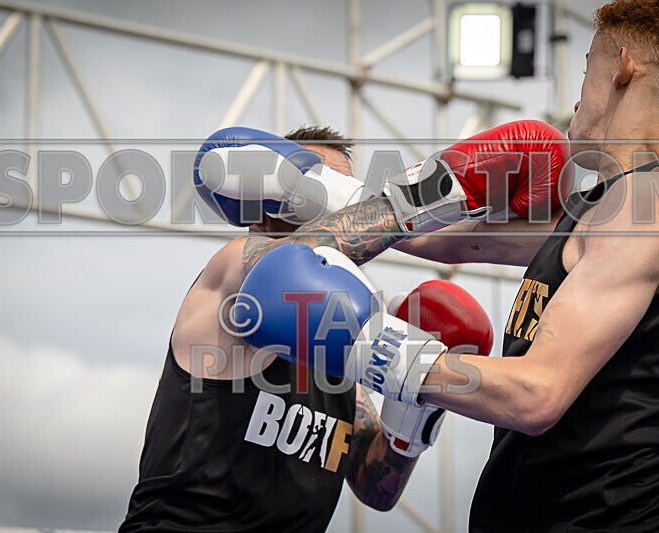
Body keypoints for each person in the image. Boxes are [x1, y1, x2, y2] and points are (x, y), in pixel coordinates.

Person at [228, 1, 659, 531]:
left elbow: (537, 394)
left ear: (624, 67)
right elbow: (450, 243)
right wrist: (310, 191)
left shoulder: (651, 204)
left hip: (615, 518)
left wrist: (372, 349)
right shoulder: (615, 207)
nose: (577, 96)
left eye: (587, 69)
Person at [118, 126, 491, 533]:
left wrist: (414, 415)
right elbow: (285, 264)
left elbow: (376, 489)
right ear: (265, 196)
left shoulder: (343, 345)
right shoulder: (234, 271)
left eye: (343, 194)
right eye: (319, 189)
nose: (340, 209)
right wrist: (428, 194)